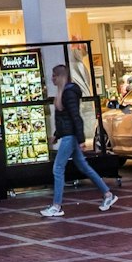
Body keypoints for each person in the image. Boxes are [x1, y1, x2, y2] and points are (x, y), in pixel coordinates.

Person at [41, 63, 116, 218]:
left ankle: (56, 206)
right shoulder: (66, 93)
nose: (52, 78)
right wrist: (56, 135)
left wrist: (80, 139)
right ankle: (107, 194)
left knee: (58, 168)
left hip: (70, 137)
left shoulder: (68, 94)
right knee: (83, 166)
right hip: (70, 135)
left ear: (60, 76)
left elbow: (76, 117)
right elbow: (67, 118)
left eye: (54, 75)